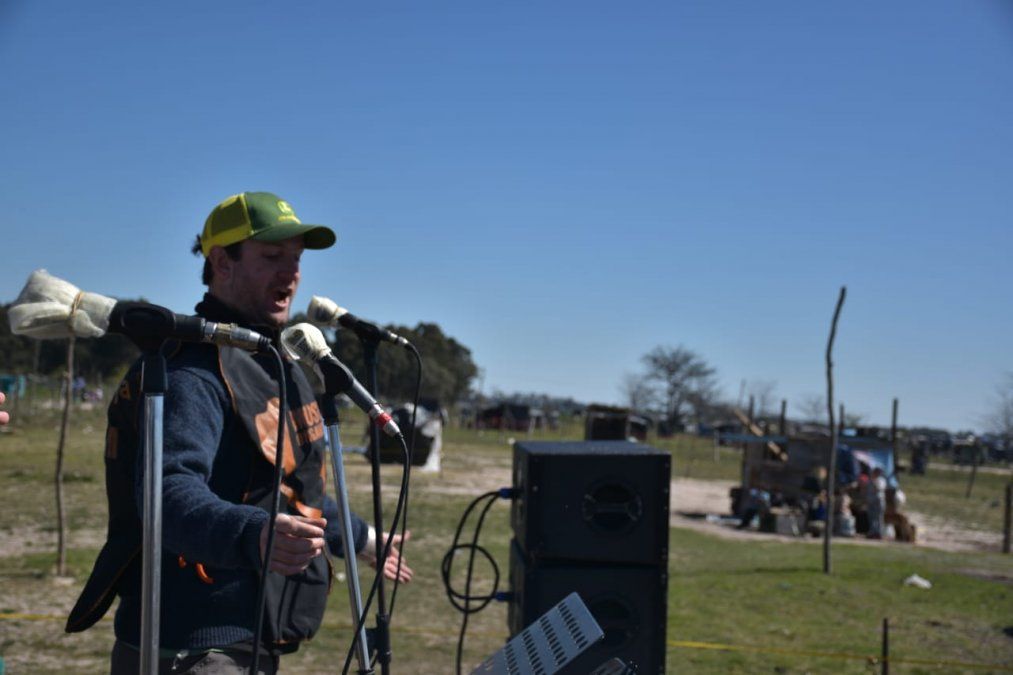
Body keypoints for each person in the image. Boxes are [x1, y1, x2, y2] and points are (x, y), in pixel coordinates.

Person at [67, 192, 412, 673]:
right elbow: (166, 491)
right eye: (271, 257)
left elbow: (288, 490)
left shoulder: (273, 361)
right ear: (221, 262)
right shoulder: (192, 368)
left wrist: (363, 539)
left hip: (248, 639)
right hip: (191, 649)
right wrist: (254, 533)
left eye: (296, 259)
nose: (290, 273)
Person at [865, 467, 887, 539]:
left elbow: (878, 489)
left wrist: (874, 481)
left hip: (878, 502)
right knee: (871, 518)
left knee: (879, 518)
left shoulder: (881, 480)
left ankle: (880, 533)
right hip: (871, 501)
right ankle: (872, 532)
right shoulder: (870, 480)